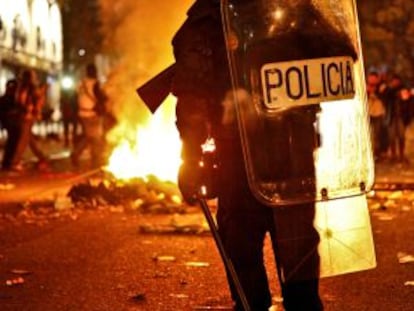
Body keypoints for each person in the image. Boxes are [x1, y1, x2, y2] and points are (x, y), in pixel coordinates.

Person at [167, 1, 348, 310]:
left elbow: (341, 54)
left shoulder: (291, 11)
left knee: (291, 248)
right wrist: (190, 157)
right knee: (254, 249)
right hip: (249, 159)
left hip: (282, 156)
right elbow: (192, 99)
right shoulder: (211, 18)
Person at [10, 69, 49, 171]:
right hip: (28, 116)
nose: (35, 78)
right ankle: (15, 162)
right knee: (23, 140)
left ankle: (42, 157)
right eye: (34, 76)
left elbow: (19, 101)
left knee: (29, 139)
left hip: (24, 115)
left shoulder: (21, 87)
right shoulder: (30, 87)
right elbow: (36, 98)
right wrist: (44, 90)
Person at [71, 63, 107, 169]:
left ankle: (77, 154)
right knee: (96, 138)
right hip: (92, 113)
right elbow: (101, 97)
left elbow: (75, 96)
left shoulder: (81, 83)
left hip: (82, 113)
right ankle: (95, 161)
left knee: (89, 136)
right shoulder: (95, 83)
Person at [0, 79, 22, 170]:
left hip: (12, 123)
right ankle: (7, 162)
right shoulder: (7, 99)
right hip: (11, 123)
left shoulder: (13, 98)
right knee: (12, 143)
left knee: (13, 143)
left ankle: (8, 162)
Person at [366, 71, 386, 160]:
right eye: (371, 78)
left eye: (374, 78)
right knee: (369, 134)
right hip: (368, 113)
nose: (372, 80)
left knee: (377, 134)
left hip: (378, 113)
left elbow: (385, 98)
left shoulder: (382, 87)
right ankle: (370, 153)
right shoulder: (365, 87)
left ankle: (377, 153)